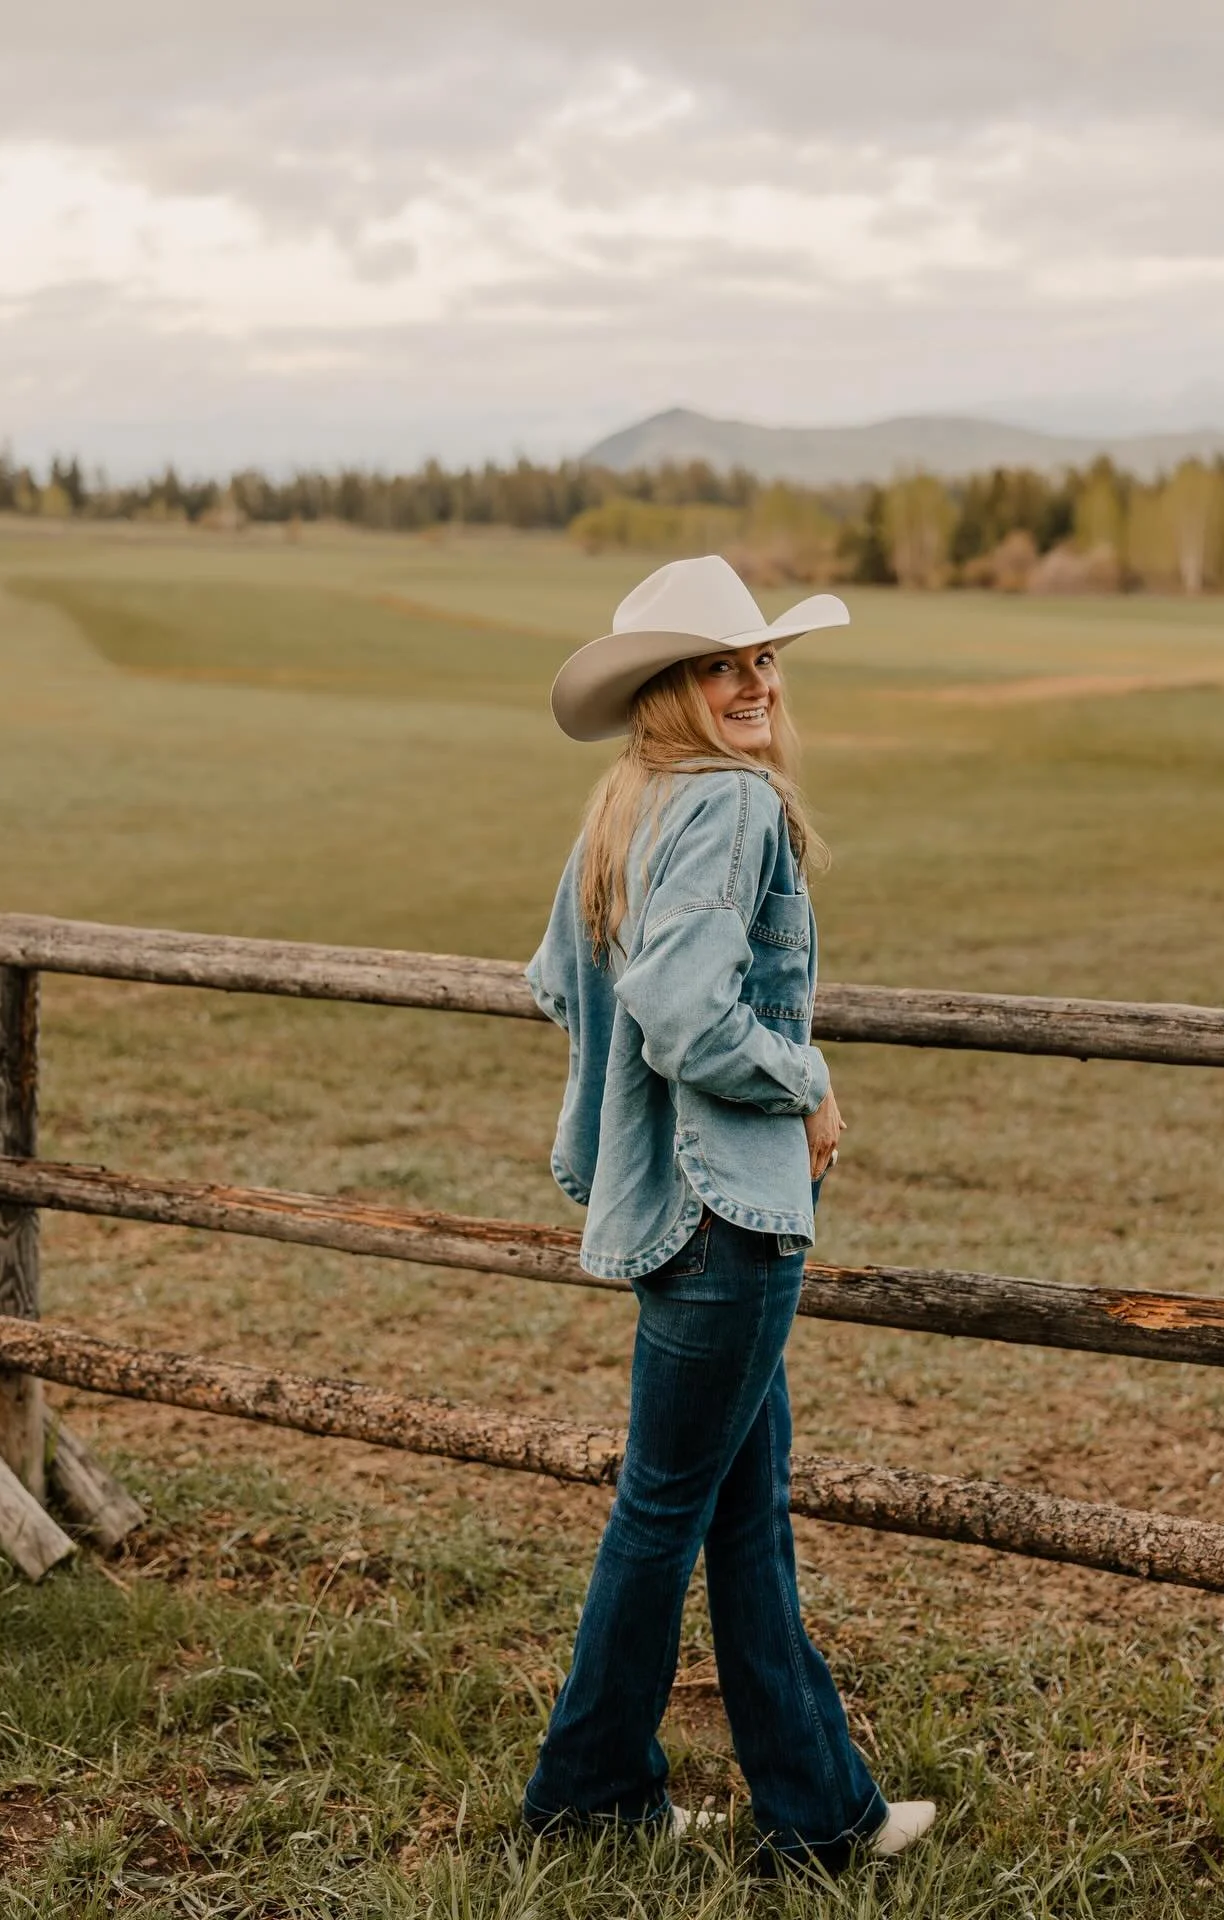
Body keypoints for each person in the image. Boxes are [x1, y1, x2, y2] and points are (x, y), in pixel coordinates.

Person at [521, 555, 936, 1869]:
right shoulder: (736, 806)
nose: (755, 681)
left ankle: (816, 1813)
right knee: (665, 1513)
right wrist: (801, 1080)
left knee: (738, 1513)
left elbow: (559, 978)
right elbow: (683, 1007)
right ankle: (587, 1790)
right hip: (726, 1213)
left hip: (678, 1206)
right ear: (671, 689)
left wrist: (625, 1103)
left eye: (763, 660)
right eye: (722, 664)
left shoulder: (625, 803)